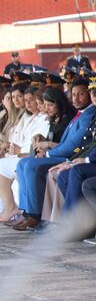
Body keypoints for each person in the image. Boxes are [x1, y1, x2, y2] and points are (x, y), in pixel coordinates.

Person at [10, 78, 96, 231]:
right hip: (62, 154)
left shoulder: (88, 115)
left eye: (81, 94)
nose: (76, 98)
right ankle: (26, 211)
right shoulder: (80, 114)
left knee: (30, 164)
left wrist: (48, 154)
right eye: (73, 94)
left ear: (89, 94)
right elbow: (65, 142)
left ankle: (35, 215)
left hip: (71, 157)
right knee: (22, 163)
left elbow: (73, 145)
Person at [55, 79, 96, 212]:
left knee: (78, 170)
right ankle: (80, 220)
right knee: (63, 175)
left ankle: (71, 224)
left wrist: (88, 160)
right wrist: (83, 159)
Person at [0, 85, 50, 223]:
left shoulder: (44, 119)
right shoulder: (29, 118)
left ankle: (13, 208)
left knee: (2, 167)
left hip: (29, 157)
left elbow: (37, 144)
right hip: (19, 155)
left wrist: (18, 151)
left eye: (31, 100)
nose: (27, 103)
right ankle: (8, 208)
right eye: (26, 100)